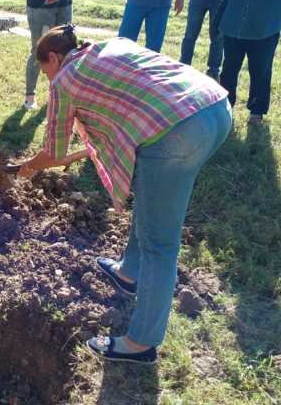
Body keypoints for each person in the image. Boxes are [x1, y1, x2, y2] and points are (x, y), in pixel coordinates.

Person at [19, 25, 232, 364]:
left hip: (177, 131)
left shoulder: (64, 80)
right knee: (152, 200)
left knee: (160, 244)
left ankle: (141, 343)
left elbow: (54, 152)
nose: (48, 80)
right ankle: (129, 273)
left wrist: (26, 168)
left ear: (55, 59)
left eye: (45, 71)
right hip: (215, 107)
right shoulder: (109, 45)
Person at [217, 0, 281, 125]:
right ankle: (226, 107)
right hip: (235, 21)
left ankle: (256, 112)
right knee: (229, 68)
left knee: (260, 69)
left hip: (265, 25)